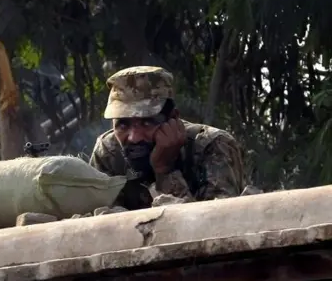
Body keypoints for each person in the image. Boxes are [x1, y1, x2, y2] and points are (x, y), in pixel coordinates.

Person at [89, 66, 246, 210]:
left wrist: (165, 171)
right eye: (123, 125)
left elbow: (217, 229)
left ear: (173, 118)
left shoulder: (212, 146)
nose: (134, 137)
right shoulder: (108, 152)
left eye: (147, 122)